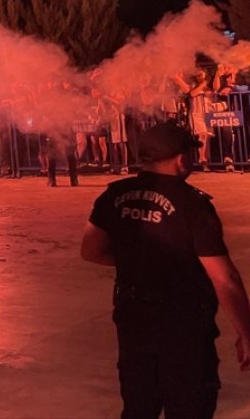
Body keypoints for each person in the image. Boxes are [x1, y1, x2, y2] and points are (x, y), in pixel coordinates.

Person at [80, 121, 250, 419]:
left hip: (132, 320)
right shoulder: (193, 205)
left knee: (138, 407)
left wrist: (140, 261)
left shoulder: (113, 195)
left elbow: (90, 251)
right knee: (189, 406)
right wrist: (246, 332)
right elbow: (225, 278)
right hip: (182, 324)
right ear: (181, 158)